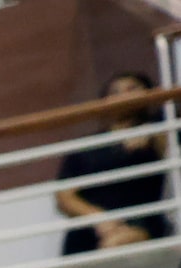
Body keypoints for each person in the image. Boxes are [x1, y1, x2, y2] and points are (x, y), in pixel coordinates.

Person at [55, 72, 171, 255]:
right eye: (115, 92)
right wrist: (100, 219)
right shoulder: (87, 146)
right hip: (91, 230)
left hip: (142, 221)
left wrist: (151, 129)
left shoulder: (161, 131)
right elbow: (64, 197)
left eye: (132, 89)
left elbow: (169, 143)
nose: (122, 96)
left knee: (117, 243)